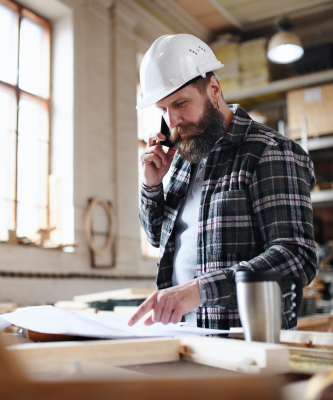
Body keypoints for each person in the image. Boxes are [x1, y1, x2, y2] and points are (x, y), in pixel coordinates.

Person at [128, 34, 316, 331]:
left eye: (181, 103)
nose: (173, 121)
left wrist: (200, 290)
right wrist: (151, 187)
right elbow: (157, 238)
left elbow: (295, 257)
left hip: (247, 342)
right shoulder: (181, 159)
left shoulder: (269, 151)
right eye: (163, 110)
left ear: (213, 89)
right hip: (185, 336)